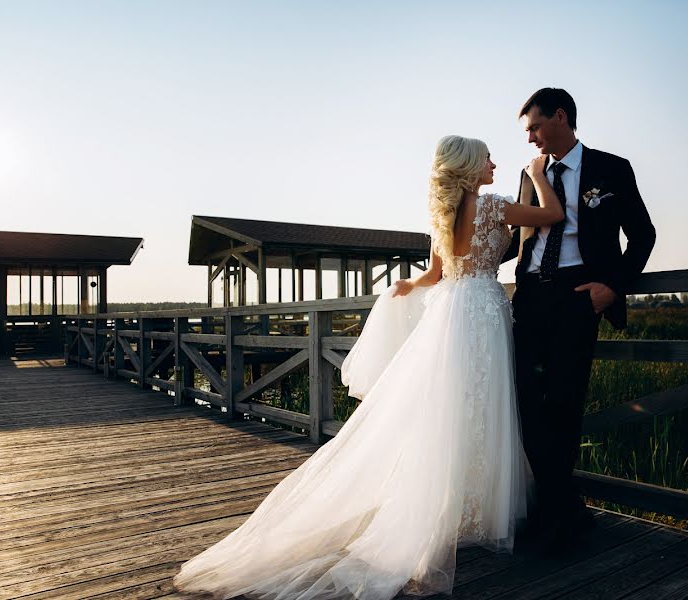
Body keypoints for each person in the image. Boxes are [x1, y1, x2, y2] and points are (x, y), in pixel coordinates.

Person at [173, 135, 565, 599]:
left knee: (444, 411)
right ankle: (473, 510)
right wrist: (539, 177)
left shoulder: (443, 214)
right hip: (483, 308)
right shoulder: (495, 206)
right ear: (468, 168)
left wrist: (405, 287)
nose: (494, 163)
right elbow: (552, 216)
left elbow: (435, 276)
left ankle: (448, 509)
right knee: (483, 407)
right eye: (486, 158)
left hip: (451, 311)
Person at [500, 88, 656, 554]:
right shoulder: (530, 174)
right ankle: (566, 508)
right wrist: (460, 251)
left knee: (564, 405)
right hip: (527, 298)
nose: (528, 138)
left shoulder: (612, 168)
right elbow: (519, 241)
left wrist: (614, 287)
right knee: (524, 403)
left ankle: (555, 520)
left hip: (577, 298)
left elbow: (643, 235)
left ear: (560, 116)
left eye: (533, 127)